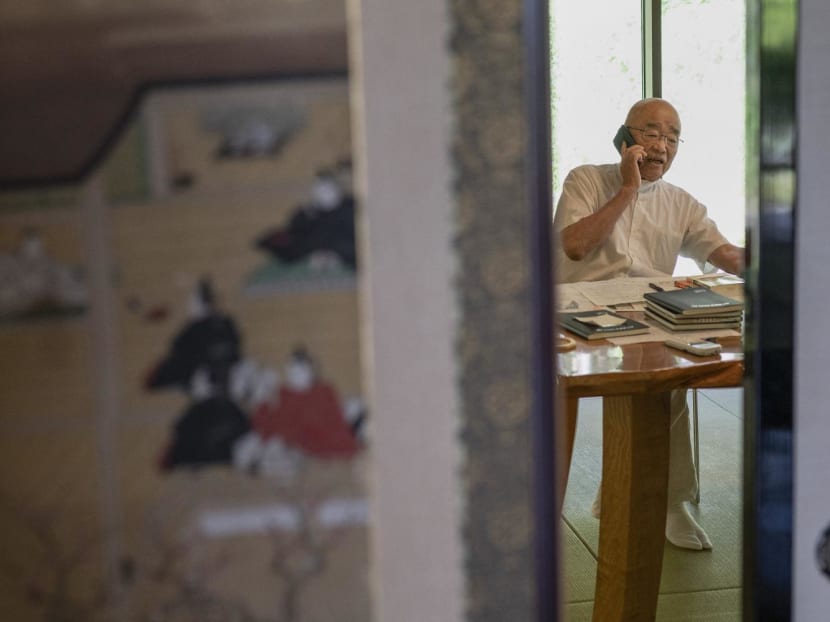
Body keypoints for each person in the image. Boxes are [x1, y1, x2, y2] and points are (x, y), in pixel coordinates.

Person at [553, 98, 744, 551]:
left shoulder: (683, 203)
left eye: (673, 137)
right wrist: (627, 189)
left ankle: (669, 500)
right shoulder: (586, 179)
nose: (662, 145)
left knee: (670, 378)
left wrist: (780, 257)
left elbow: (727, 255)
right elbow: (575, 247)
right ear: (625, 137)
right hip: (575, 310)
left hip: (647, 312)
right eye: (651, 133)